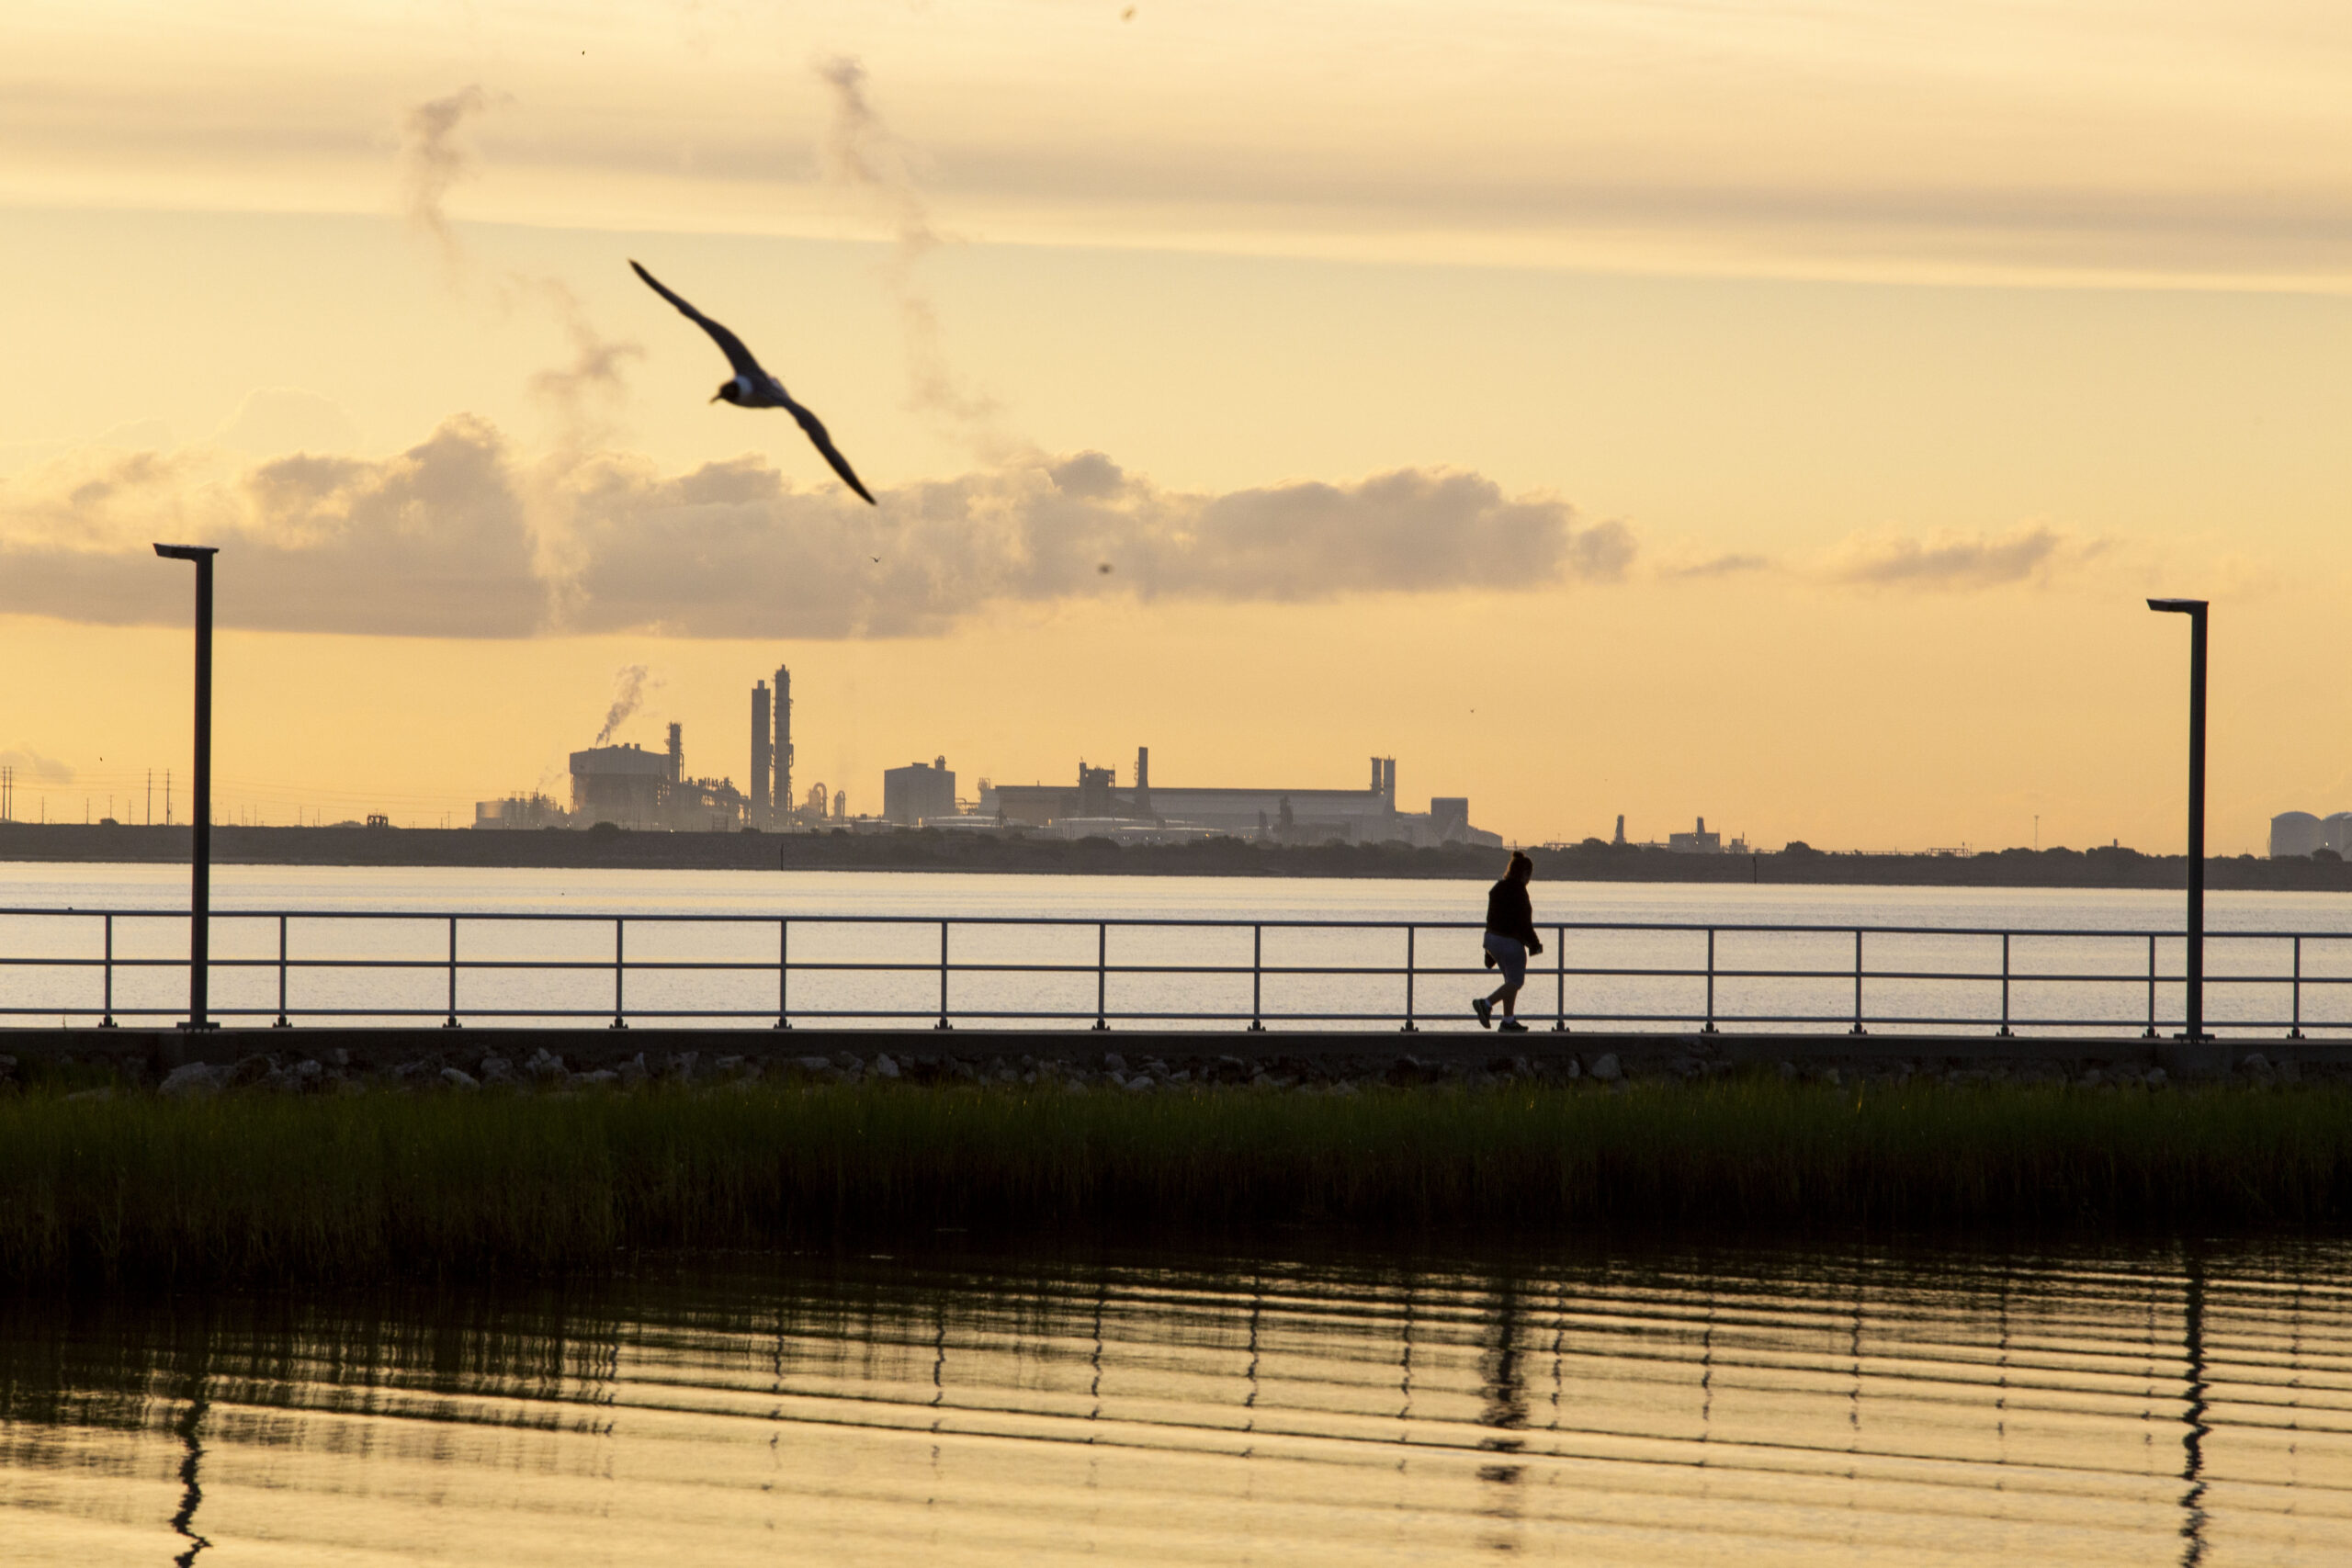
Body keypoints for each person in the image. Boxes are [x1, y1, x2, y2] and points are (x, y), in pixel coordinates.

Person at [1475, 851, 1543, 1032]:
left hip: (1491, 939)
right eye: (1529, 876)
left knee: (1509, 982)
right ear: (1525, 873)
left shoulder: (1498, 888)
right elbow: (1524, 922)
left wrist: (1488, 953)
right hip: (1509, 942)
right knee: (1516, 982)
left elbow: (1491, 918)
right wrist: (1534, 944)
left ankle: (1508, 1020)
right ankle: (1486, 1003)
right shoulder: (1519, 892)